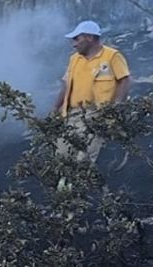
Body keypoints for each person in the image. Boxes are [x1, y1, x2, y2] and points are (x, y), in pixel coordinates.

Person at [55, 20, 132, 166]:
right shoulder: (74, 59)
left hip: (96, 115)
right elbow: (66, 85)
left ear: (89, 37)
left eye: (77, 39)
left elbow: (125, 80)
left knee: (84, 158)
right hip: (72, 115)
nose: (74, 43)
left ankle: (81, 185)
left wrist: (115, 108)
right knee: (62, 155)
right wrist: (55, 109)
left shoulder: (112, 56)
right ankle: (66, 186)